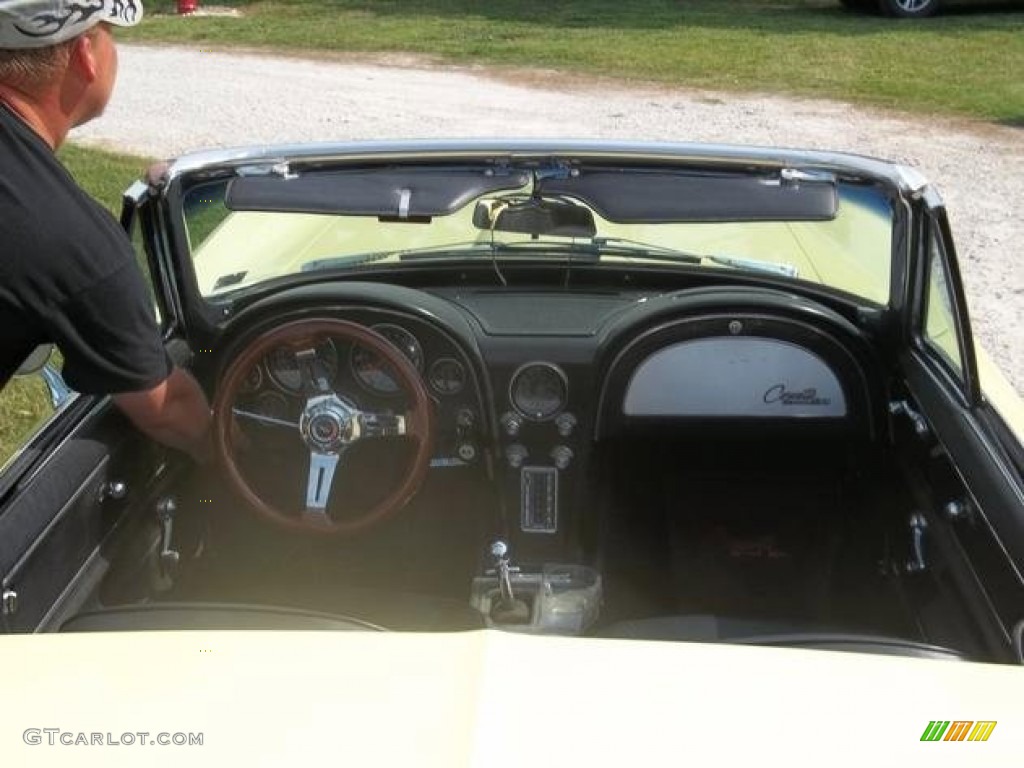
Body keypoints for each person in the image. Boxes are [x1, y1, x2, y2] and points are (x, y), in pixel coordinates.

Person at [0, 0, 212, 463]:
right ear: (86, 55)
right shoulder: (68, 241)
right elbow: (168, 409)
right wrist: (246, 456)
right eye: (110, 33)